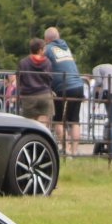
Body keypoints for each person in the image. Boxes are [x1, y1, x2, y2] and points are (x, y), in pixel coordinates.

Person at [43, 28, 85, 157]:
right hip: (78, 85)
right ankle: (74, 150)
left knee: (58, 120)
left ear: (46, 39)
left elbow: (41, 65)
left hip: (62, 86)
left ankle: (66, 149)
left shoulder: (48, 49)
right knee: (74, 120)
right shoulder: (66, 48)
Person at [15, 38, 54, 124]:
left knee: (30, 123)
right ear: (40, 50)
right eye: (44, 49)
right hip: (45, 95)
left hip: (29, 96)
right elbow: (50, 78)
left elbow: (19, 80)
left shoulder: (23, 62)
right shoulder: (47, 62)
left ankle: (33, 137)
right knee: (43, 122)